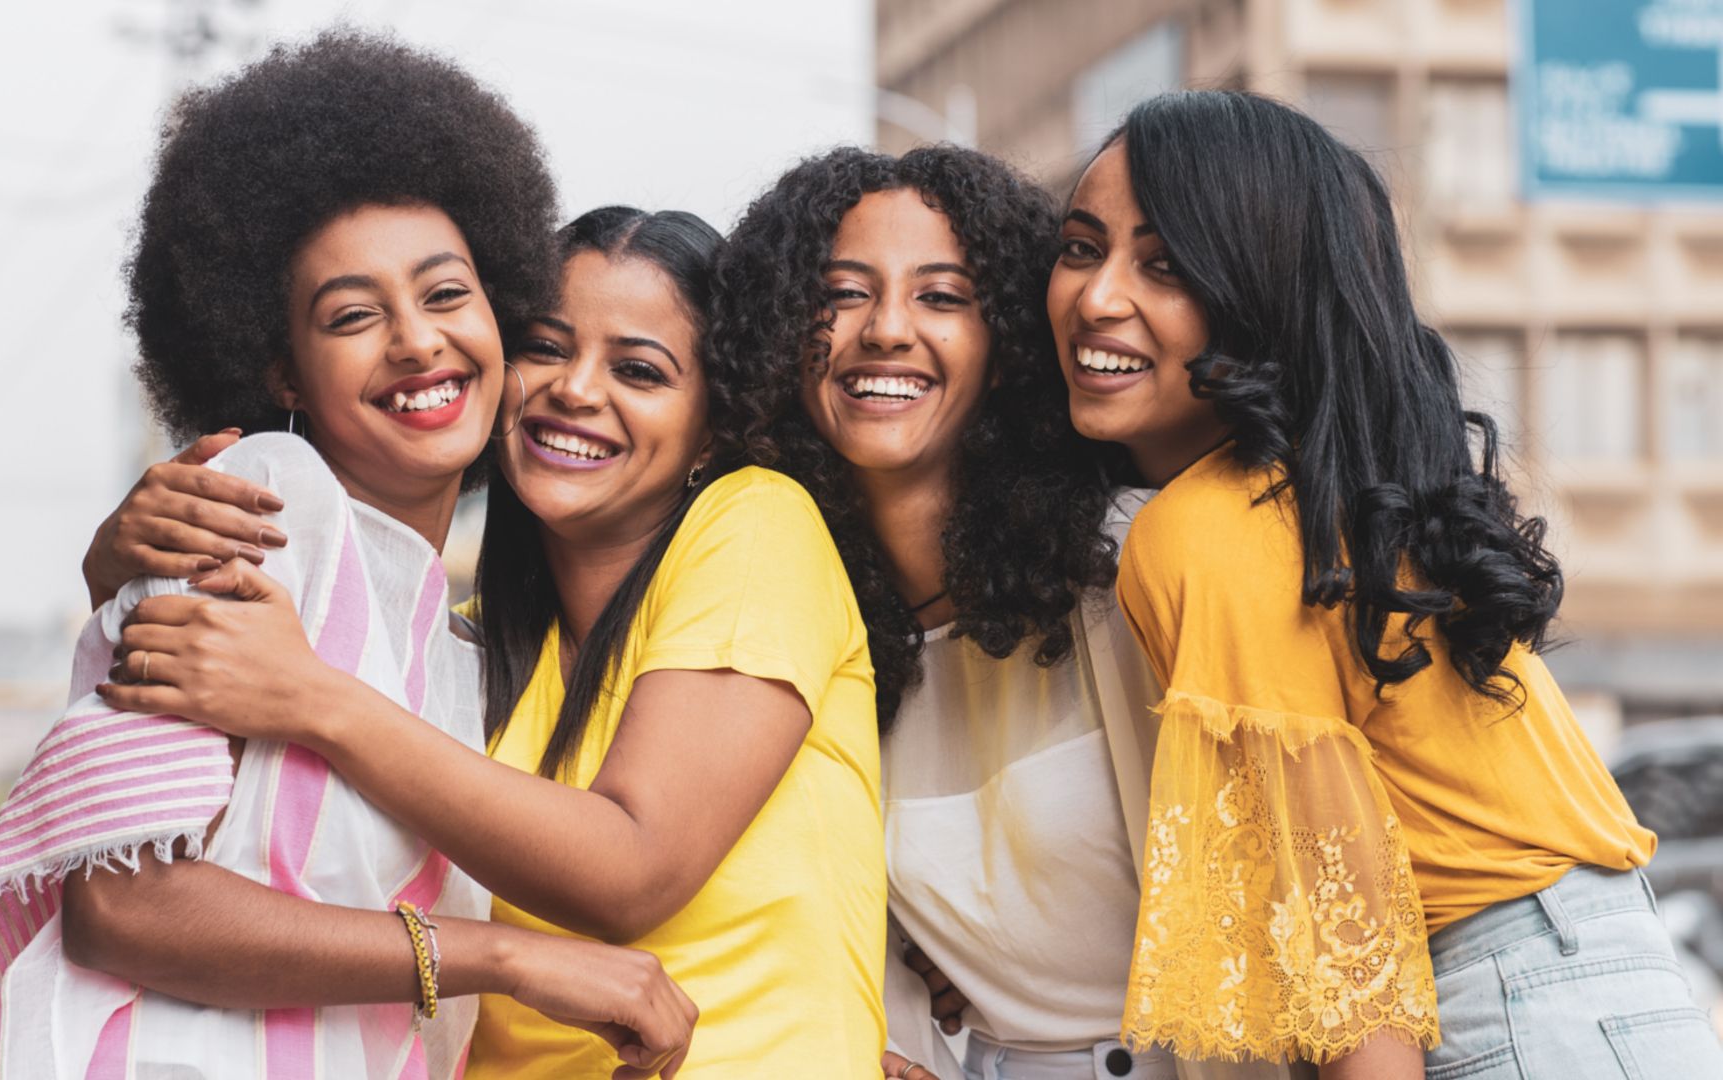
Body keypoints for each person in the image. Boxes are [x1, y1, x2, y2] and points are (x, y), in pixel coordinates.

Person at [0, 33, 695, 1079]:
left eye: (447, 295)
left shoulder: (456, 646)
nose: (417, 341)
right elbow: (123, 903)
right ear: (284, 373)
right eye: (354, 316)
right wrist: (504, 958)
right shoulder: (262, 508)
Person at [89, 206, 890, 1077]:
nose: (577, 390)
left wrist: (313, 698)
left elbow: (631, 873)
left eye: (639, 370)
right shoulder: (465, 656)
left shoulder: (758, 526)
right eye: (545, 347)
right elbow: (155, 888)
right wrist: (115, 577)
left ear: (715, 423)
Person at [1051, 89, 1722, 1078]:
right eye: (1080, 247)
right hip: (1604, 996)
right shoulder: (1331, 502)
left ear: (1258, 291)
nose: (1099, 297)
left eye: (1163, 265)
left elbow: (1344, 944)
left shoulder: (1205, 530)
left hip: (1502, 1012)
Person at [713, 146, 1182, 1080]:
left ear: (1005, 340)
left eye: (941, 297)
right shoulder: (804, 619)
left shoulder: (1134, 564)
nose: (885, 330)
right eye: (842, 293)